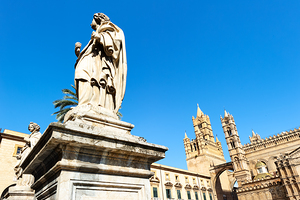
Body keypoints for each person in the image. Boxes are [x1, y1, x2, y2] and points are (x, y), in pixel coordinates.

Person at [74, 13, 127, 114]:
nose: (90, 23)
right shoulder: (96, 33)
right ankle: (84, 102)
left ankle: (92, 103)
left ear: (98, 19)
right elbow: (89, 51)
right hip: (91, 61)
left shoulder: (108, 28)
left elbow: (114, 46)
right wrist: (78, 52)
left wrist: (100, 37)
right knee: (81, 74)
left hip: (101, 63)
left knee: (87, 76)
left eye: (92, 20)